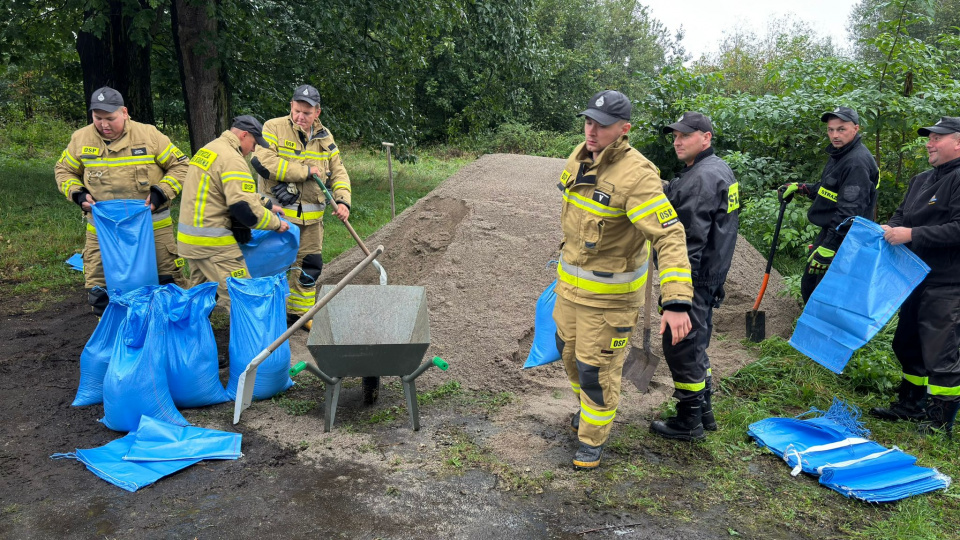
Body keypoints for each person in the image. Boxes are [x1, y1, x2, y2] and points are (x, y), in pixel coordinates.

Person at [555, 90, 693, 470]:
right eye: (588, 121)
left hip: (610, 300)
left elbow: (669, 236)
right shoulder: (579, 156)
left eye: (602, 125)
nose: (592, 130)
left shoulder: (638, 176)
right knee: (567, 354)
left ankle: (592, 439)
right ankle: (586, 412)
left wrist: (677, 301)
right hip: (569, 291)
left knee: (595, 370)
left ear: (624, 129)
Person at [54, 86, 189, 315]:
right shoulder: (81, 138)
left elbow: (182, 166)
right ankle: (115, 339)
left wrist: (161, 193)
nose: (104, 125)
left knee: (168, 281)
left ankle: (171, 333)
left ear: (124, 112)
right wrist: (78, 194)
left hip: (152, 225)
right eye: (98, 118)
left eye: (110, 118)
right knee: (99, 288)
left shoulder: (149, 135)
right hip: (102, 229)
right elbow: (63, 170)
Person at [649, 112, 739, 441]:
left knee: (681, 345)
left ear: (706, 138)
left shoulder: (702, 178)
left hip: (694, 279)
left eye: (686, 135)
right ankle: (704, 410)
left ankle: (688, 422)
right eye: (675, 135)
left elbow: (688, 241)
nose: (677, 141)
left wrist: (677, 297)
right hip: (710, 275)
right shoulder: (715, 170)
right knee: (697, 343)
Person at [870, 116, 960, 436]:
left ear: (958, 142)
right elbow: (902, 215)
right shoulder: (921, 179)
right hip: (913, 277)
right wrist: (890, 229)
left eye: (937, 138)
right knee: (907, 343)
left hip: (948, 281)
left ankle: (939, 420)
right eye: (929, 138)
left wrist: (911, 234)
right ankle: (911, 403)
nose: (929, 143)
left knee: (941, 351)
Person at [250, 84, 351, 330]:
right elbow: (262, 161)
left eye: (306, 112)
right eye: (296, 110)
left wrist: (343, 200)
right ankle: (262, 319)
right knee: (271, 267)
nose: (300, 117)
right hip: (279, 218)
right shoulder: (273, 128)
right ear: (291, 107)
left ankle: (299, 316)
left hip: (312, 222)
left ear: (317, 112)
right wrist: (304, 172)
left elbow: (338, 172)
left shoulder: (325, 137)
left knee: (309, 268)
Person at [177, 115, 288, 306]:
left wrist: (267, 204)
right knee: (242, 297)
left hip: (191, 240)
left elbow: (225, 190)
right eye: (254, 143)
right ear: (244, 135)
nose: (253, 149)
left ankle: (189, 336)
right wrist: (276, 223)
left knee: (199, 300)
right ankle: (252, 337)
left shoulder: (209, 149)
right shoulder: (232, 159)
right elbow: (244, 209)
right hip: (214, 242)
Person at [779, 107, 879, 303]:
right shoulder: (840, 154)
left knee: (824, 294)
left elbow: (850, 212)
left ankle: (822, 332)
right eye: (831, 130)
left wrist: (829, 247)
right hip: (832, 231)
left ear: (856, 128)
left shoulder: (856, 162)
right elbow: (831, 190)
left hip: (846, 238)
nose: (835, 135)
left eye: (841, 129)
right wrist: (803, 188)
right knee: (810, 285)